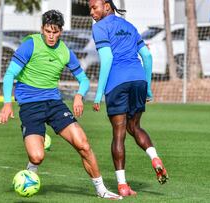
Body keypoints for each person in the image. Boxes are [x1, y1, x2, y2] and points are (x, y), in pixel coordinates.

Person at [0, 10, 122, 200]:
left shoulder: (65, 51)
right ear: (42, 29)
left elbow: (84, 80)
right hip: (31, 106)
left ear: (61, 31)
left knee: (84, 145)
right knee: (37, 157)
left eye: (55, 32)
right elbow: (9, 75)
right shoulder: (30, 44)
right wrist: (7, 103)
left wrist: (79, 96)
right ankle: (32, 165)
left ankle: (101, 190)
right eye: (48, 31)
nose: (51, 36)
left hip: (54, 104)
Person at [88, 0, 169, 197]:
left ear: (107, 6)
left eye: (94, 7)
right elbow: (147, 57)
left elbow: (107, 60)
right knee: (135, 127)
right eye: (90, 8)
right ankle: (155, 158)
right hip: (138, 79)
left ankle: (123, 185)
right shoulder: (129, 26)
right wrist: (147, 87)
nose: (91, 12)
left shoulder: (99, 27)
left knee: (119, 133)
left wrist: (98, 95)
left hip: (117, 82)